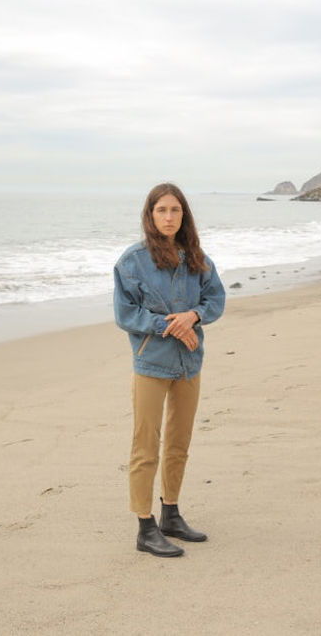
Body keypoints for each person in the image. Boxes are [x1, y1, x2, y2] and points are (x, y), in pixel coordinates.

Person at [113, 182, 226, 557]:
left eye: (175, 210)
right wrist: (169, 326)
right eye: (161, 210)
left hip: (189, 364)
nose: (168, 217)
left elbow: (216, 299)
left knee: (179, 443)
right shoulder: (132, 262)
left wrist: (193, 316)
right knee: (145, 445)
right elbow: (126, 314)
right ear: (150, 215)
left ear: (184, 215)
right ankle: (145, 527)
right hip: (151, 362)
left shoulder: (196, 257)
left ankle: (171, 514)